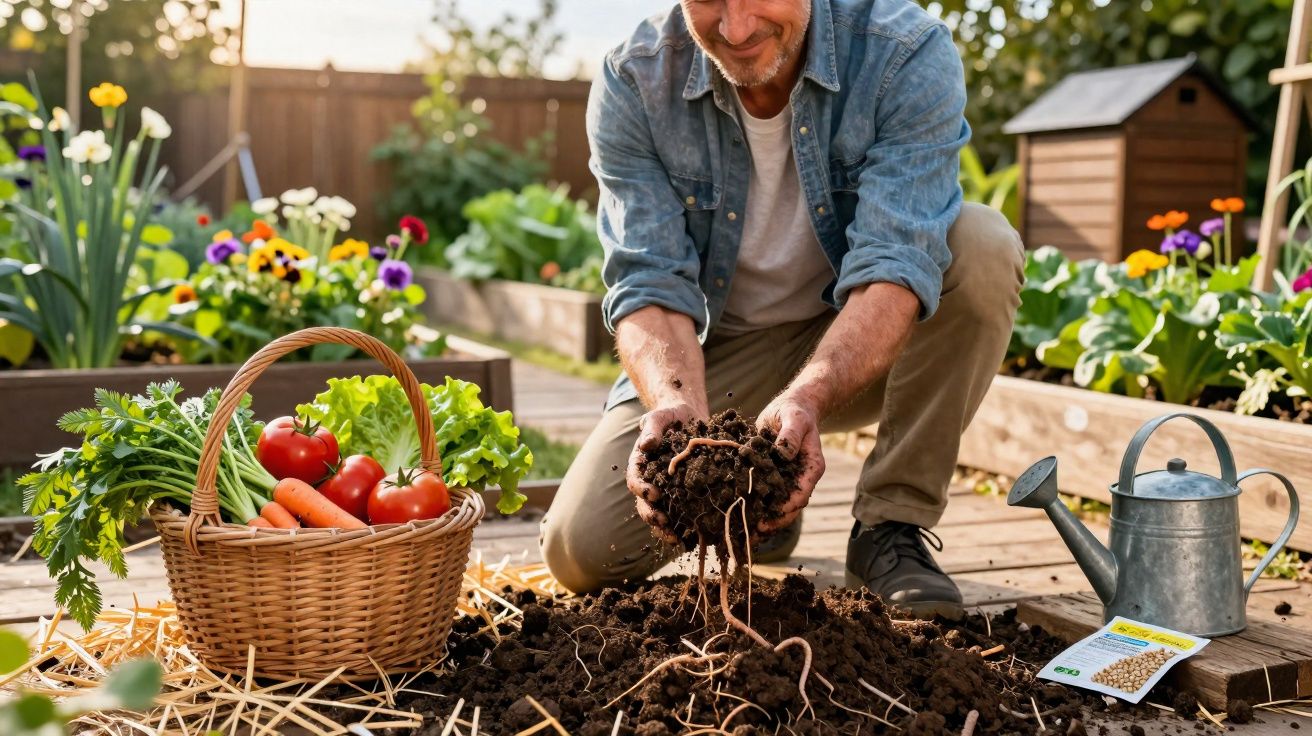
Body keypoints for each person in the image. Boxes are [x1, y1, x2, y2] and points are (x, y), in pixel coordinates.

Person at [540, 0, 1023, 619]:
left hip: (857, 334)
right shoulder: (635, 77)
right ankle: (761, 513)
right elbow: (648, 282)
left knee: (982, 246)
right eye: (709, 1)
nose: (736, 29)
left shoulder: (904, 51)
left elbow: (895, 267)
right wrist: (675, 406)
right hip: (716, 354)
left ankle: (891, 527)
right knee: (579, 555)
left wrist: (808, 397)